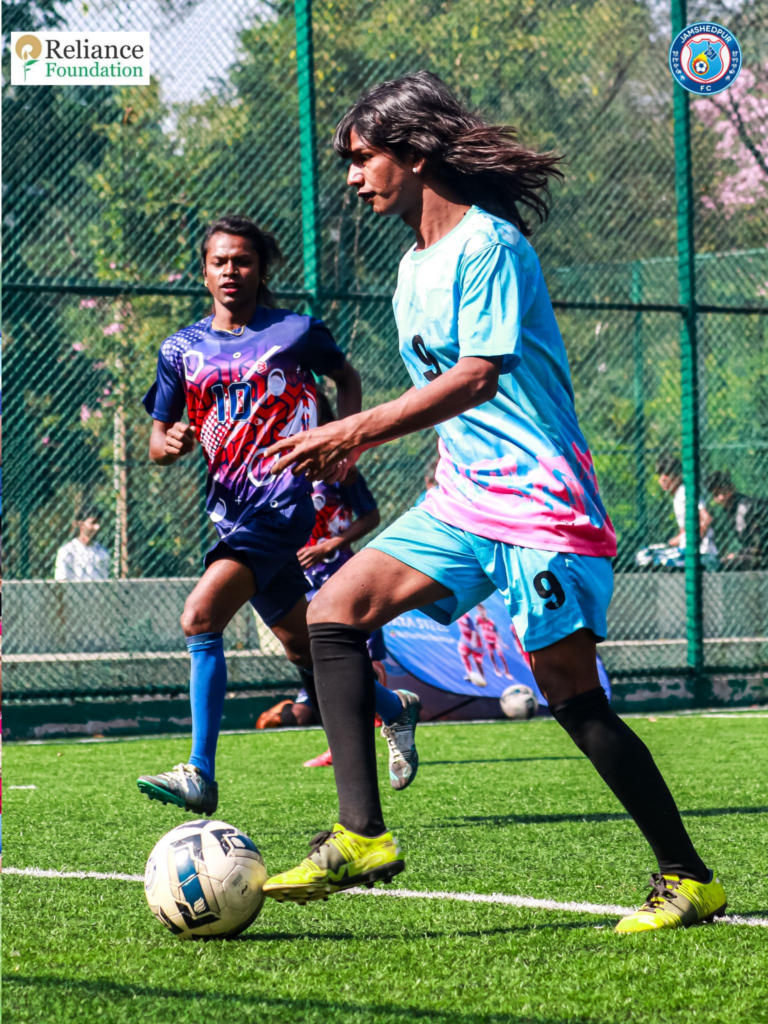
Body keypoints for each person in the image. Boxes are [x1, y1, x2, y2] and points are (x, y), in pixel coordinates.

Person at [259, 72, 726, 933]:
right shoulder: (411, 268)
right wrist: (390, 452)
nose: (353, 178)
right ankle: (361, 835)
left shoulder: (491, 246)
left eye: (363, 158)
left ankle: (687, 876)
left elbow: (477, 378)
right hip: (463, 501)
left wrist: (355, 428)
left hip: (542, 501)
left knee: (571, 696)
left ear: (415, 153)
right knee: (335, 611)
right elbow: (450, 402)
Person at [136, 215, 417, 816]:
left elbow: (346, 377)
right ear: (204, 272)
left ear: (261, 269)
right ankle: (394, 708)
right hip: (229, 513)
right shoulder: (180, 349)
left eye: (242, 260)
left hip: (284, 503)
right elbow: (156, 440)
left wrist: (347, 446)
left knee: (200, 615)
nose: (231, 271)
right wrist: (171, 443)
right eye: (219, 262)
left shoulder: (296, 331)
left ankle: (200, 771)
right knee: (302, 646)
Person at [259, 392, 420, 785]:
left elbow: (371, 515)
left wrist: (331, 544)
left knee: (363, 658)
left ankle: (388, 730)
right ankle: (339, 742)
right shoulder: (276, 463)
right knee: (309, 659)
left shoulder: (339, 465)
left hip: (340, 573)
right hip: (298, 577)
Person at [657, 456, 717, 560]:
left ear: (678, 475)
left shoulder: (685, 492)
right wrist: (676, 540)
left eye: (667, 474)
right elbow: (686, 529)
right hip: (689, 552)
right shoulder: (678, 494)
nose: (663, 479)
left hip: (702, 554)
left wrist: (692, 544)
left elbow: (706, 519)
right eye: (660, 474)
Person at [707, 471, 768, 569]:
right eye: (716, 494)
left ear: (732, 487)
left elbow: (759, 546)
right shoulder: (730, 511)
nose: (721, 497)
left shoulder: (746, 507)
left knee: (722, 564)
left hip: (763, 557)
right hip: (755, 556)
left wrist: (737, 554)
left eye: (723, 492)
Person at [54, 509, 110, 581]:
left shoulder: (102, 551)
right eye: (93, 523)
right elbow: (61, 581)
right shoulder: (66, 551)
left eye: (98, 523)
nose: (97, 527)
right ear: (81, 524)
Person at [475, 602, 512, 679]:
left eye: (482, 610)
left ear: (485, 611)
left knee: (501, 656)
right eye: (479, 610)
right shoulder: (478, 619)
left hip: (495, 642)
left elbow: (497, 633)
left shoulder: (491, 622)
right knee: (491, 656)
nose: (481, 612)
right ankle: (496, 670)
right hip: (488, 642)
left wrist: (502, 644)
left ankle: (507, 672)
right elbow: (476, 628)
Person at [456, 612, 486, 685]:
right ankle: (470, 674)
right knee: (463, 654)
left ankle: (482, 678)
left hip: (476, 642)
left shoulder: (466, 617)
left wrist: (473, 640)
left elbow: (473, 629)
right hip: (466, 641)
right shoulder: (456, 616)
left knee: (477, 662)